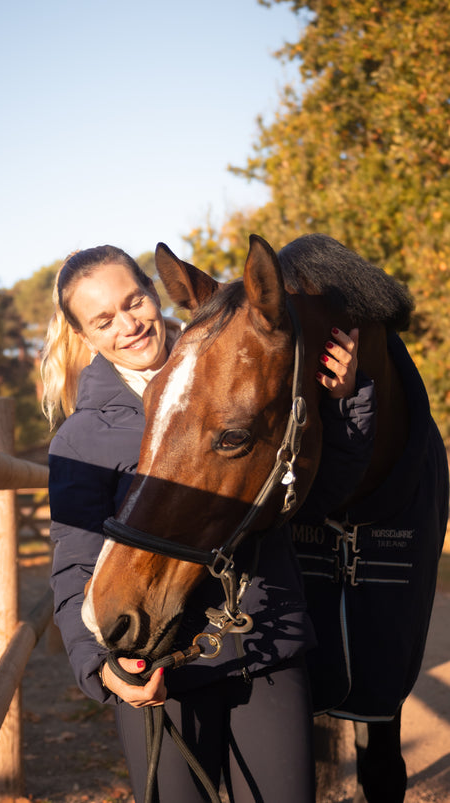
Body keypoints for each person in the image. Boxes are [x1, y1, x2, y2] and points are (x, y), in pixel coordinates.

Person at [41, 244, 376, 803]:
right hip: (161, 663)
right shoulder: (81, 440)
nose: (128, 324)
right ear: (84, 336)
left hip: (264, 644)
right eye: (103, 319)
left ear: (154, 293)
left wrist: (346, 404)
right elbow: (74, 561)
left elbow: (315, 499)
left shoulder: (239, 368)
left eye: (134, 301)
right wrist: (102, 665)